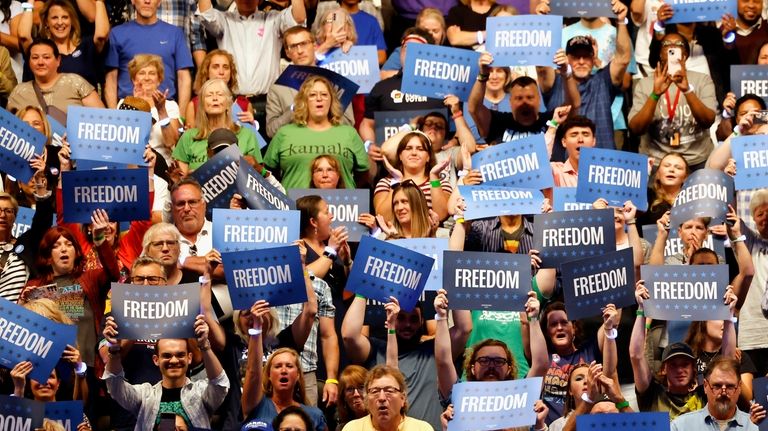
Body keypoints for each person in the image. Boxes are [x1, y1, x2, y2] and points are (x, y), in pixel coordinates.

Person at [102, 313, 229, 430]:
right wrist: (114, 350)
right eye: (167, 355)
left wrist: (205, 346)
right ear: (156, 360)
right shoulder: (145, 395)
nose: (174, 360)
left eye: (180, 355)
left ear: (189, 358)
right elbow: (115, 385)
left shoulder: (201, 393)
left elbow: (220, 383)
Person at [197, 0, 306, 133]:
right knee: (240, 151)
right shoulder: (225, 20)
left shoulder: (273, 19)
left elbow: (299, 18)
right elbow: (205, 12)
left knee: (269, 150)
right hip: (235, 103)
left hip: (268, 102)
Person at [540, 6, 631, 151]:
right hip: (562, 168)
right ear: (566, 58)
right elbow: (542, 67)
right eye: (575, 57)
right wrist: (543, 22)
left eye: (586, 56)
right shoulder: (554, 82)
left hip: (600, 165)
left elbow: (623, 59)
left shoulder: (603, 81)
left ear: (593, 58)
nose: (581, 61)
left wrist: (621, 22)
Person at [628, 32, 717, 171]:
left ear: (686, 54)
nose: (672, 47)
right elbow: (636, 128)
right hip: (657, 162)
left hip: (696, 160)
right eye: (667, 44)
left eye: (679, 44)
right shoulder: (645, 84)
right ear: (660, 53)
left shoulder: (702, 80)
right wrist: (655, 95)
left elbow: (708, 121)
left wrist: (687, 90)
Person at [265, 75, 372, 190]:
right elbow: (269, 172)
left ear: (332, 101)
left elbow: (363, 174)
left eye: (324, 95)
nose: (319, 98)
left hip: (341, 205)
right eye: (312, 95)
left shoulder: (349, 133)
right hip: (294, 205)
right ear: (303, 101)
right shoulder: (284, 133)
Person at [265, 26, 354, 138]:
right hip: (295, 147)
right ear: (287, 53)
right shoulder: (278, 87)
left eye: (304, 43)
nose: (300, 51)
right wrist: (294, 110)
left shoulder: (335, 81)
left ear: (315, 45)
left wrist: (325, 117)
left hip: (330, 145)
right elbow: (271, 131)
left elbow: (349, 123)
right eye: (293, 46)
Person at [104, 0, 193, 111]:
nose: (147, 1)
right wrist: (114, 115)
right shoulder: (117, 33)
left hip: (166, 106)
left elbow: (184, 77)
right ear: (133, 1)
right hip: (128, 106)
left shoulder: (174, 33)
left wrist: (181, 117)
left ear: (159, 2)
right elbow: (111, 78)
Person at [540, 301, 618, 424]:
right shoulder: (542, 359)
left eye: (564, 322)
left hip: (590, 422)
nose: (559, 327)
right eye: (553, 324)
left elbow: (610, 324)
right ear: (547, 331)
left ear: (574, 328)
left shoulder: (589, 350)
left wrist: (612, 316)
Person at [172, 79, 263, 175]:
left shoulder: (248, 135)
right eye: (209, 95)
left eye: (220, 94)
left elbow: (258, 174)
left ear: (229, 103)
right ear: (202, 104)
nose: (215, 98)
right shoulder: (188, 136)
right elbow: (181, 179)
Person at [17, 0, 109, 87]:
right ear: (46, 22)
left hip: (83, 103)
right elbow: (23, 36)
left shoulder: (86, 47)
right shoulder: (39, 48)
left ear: (72, 21)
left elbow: (102, 35)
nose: (60, 22)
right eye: (54, 18)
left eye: (65, 17)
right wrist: (29, 2)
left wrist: (100, 1)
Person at [0, 157, 53, 303]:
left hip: (20, 319)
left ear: (15, 216)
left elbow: (43, 219)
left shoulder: (25, 244)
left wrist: (40, 182)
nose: (2, 215)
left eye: (8, 211)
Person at [7, 38, 104, 114]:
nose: (40, 62)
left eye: (46, 57)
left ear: (58, 60)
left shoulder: (76, 83)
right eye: (35, 58)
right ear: (29, 62)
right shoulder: (19, 92)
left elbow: (101, 119)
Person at [374, 131, 451, 222]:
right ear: (400, 156)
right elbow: (384, 218)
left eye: (420, 149)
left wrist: (434, 177)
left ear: (428, 157)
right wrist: (396, 182)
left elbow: (441, 216)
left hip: (431, 235)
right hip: (397, 235)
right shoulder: (387, 183)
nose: (414, 153)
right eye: (408, 148)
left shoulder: (441, 184)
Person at [121, 53, 181, 167]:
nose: (147, 78)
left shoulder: (171, 106)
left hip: (162, 166)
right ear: (134, 79)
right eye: (142, 73)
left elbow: (170, 142)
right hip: (133, 166)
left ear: (159, 80)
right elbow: (124, 140)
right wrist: (136, 106)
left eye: (152, 73)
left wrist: (161, 110)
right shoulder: (123, 103)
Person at [671, 357, 759, 431]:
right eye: (717, 386)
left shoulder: (755, 427)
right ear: (705, 386)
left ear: (739, 387)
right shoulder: (681, 426)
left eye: (730, 386)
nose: (723, 393)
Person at [340, 365, 432, 431]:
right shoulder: (352, 428)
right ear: (367, 400)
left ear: (402, 398)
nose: (382, 398)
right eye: (375, 391)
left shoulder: (422, 428)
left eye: (389, 391)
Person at [186, 49, 254, 130]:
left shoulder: (244, 104)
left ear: (231, 72)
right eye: (215, 67)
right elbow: (190, 140)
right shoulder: (194, 105)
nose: (221, 72)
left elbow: (252, 141)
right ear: (207, 71)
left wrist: (252, 125)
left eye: (226, 67)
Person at [638, 153, 688, 226]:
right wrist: (644, 174)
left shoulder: (692, 202)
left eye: (678, 168)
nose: (671, 170)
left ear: (685, 177)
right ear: (658, 174)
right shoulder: (647, 196)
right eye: (667, 166)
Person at [336, 366, 368, 430]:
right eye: (350, 389)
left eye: (361, 387)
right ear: (344, 396)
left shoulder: (382, 423)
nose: (356, 394)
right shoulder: (342, 428)